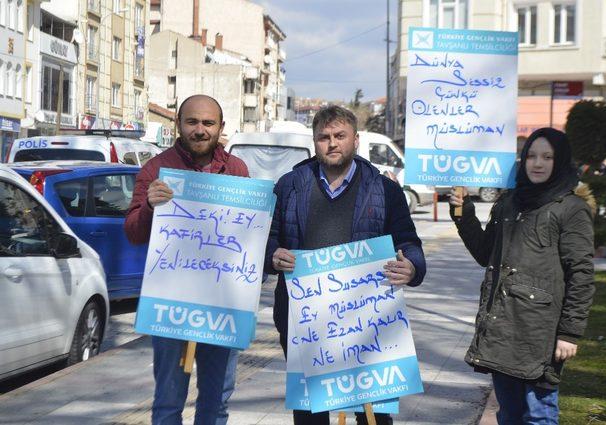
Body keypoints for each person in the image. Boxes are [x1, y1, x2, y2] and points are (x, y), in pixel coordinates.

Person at [265, 105, 426, 425]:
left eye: (340, 136)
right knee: (311, 413)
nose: (332, 143)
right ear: (314, 141)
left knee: (373, 416)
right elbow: (267, 238)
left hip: (367, 321)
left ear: (356, 140)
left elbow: (409, 242)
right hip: (304, 320)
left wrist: (413, 267)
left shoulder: (384, 188)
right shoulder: (289, 185)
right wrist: (272, 256)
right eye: (324, 137)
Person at [449, 127, 596, 424]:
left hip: (540, 334)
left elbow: (581, 274)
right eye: (531, 155)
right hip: (502, 329)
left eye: (547, 156)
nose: (537, 163)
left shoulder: (571, 209)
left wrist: (569, 332)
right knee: (510, 415)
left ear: (560, 160)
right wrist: (463, 214)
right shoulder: (509, 202)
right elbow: (484, 253)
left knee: (539, 415)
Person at [125, 95, 249, 425]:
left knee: (217, 401)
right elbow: (134, 233)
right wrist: (150, 205)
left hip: (221, 306)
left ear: (221, 127)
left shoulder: (236, 170)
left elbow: (248, 237)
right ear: (178, 124)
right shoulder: (157, 169)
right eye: (192, 122)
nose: (199, 130)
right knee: (168, 401)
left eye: (208, 123)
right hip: (171, 305)